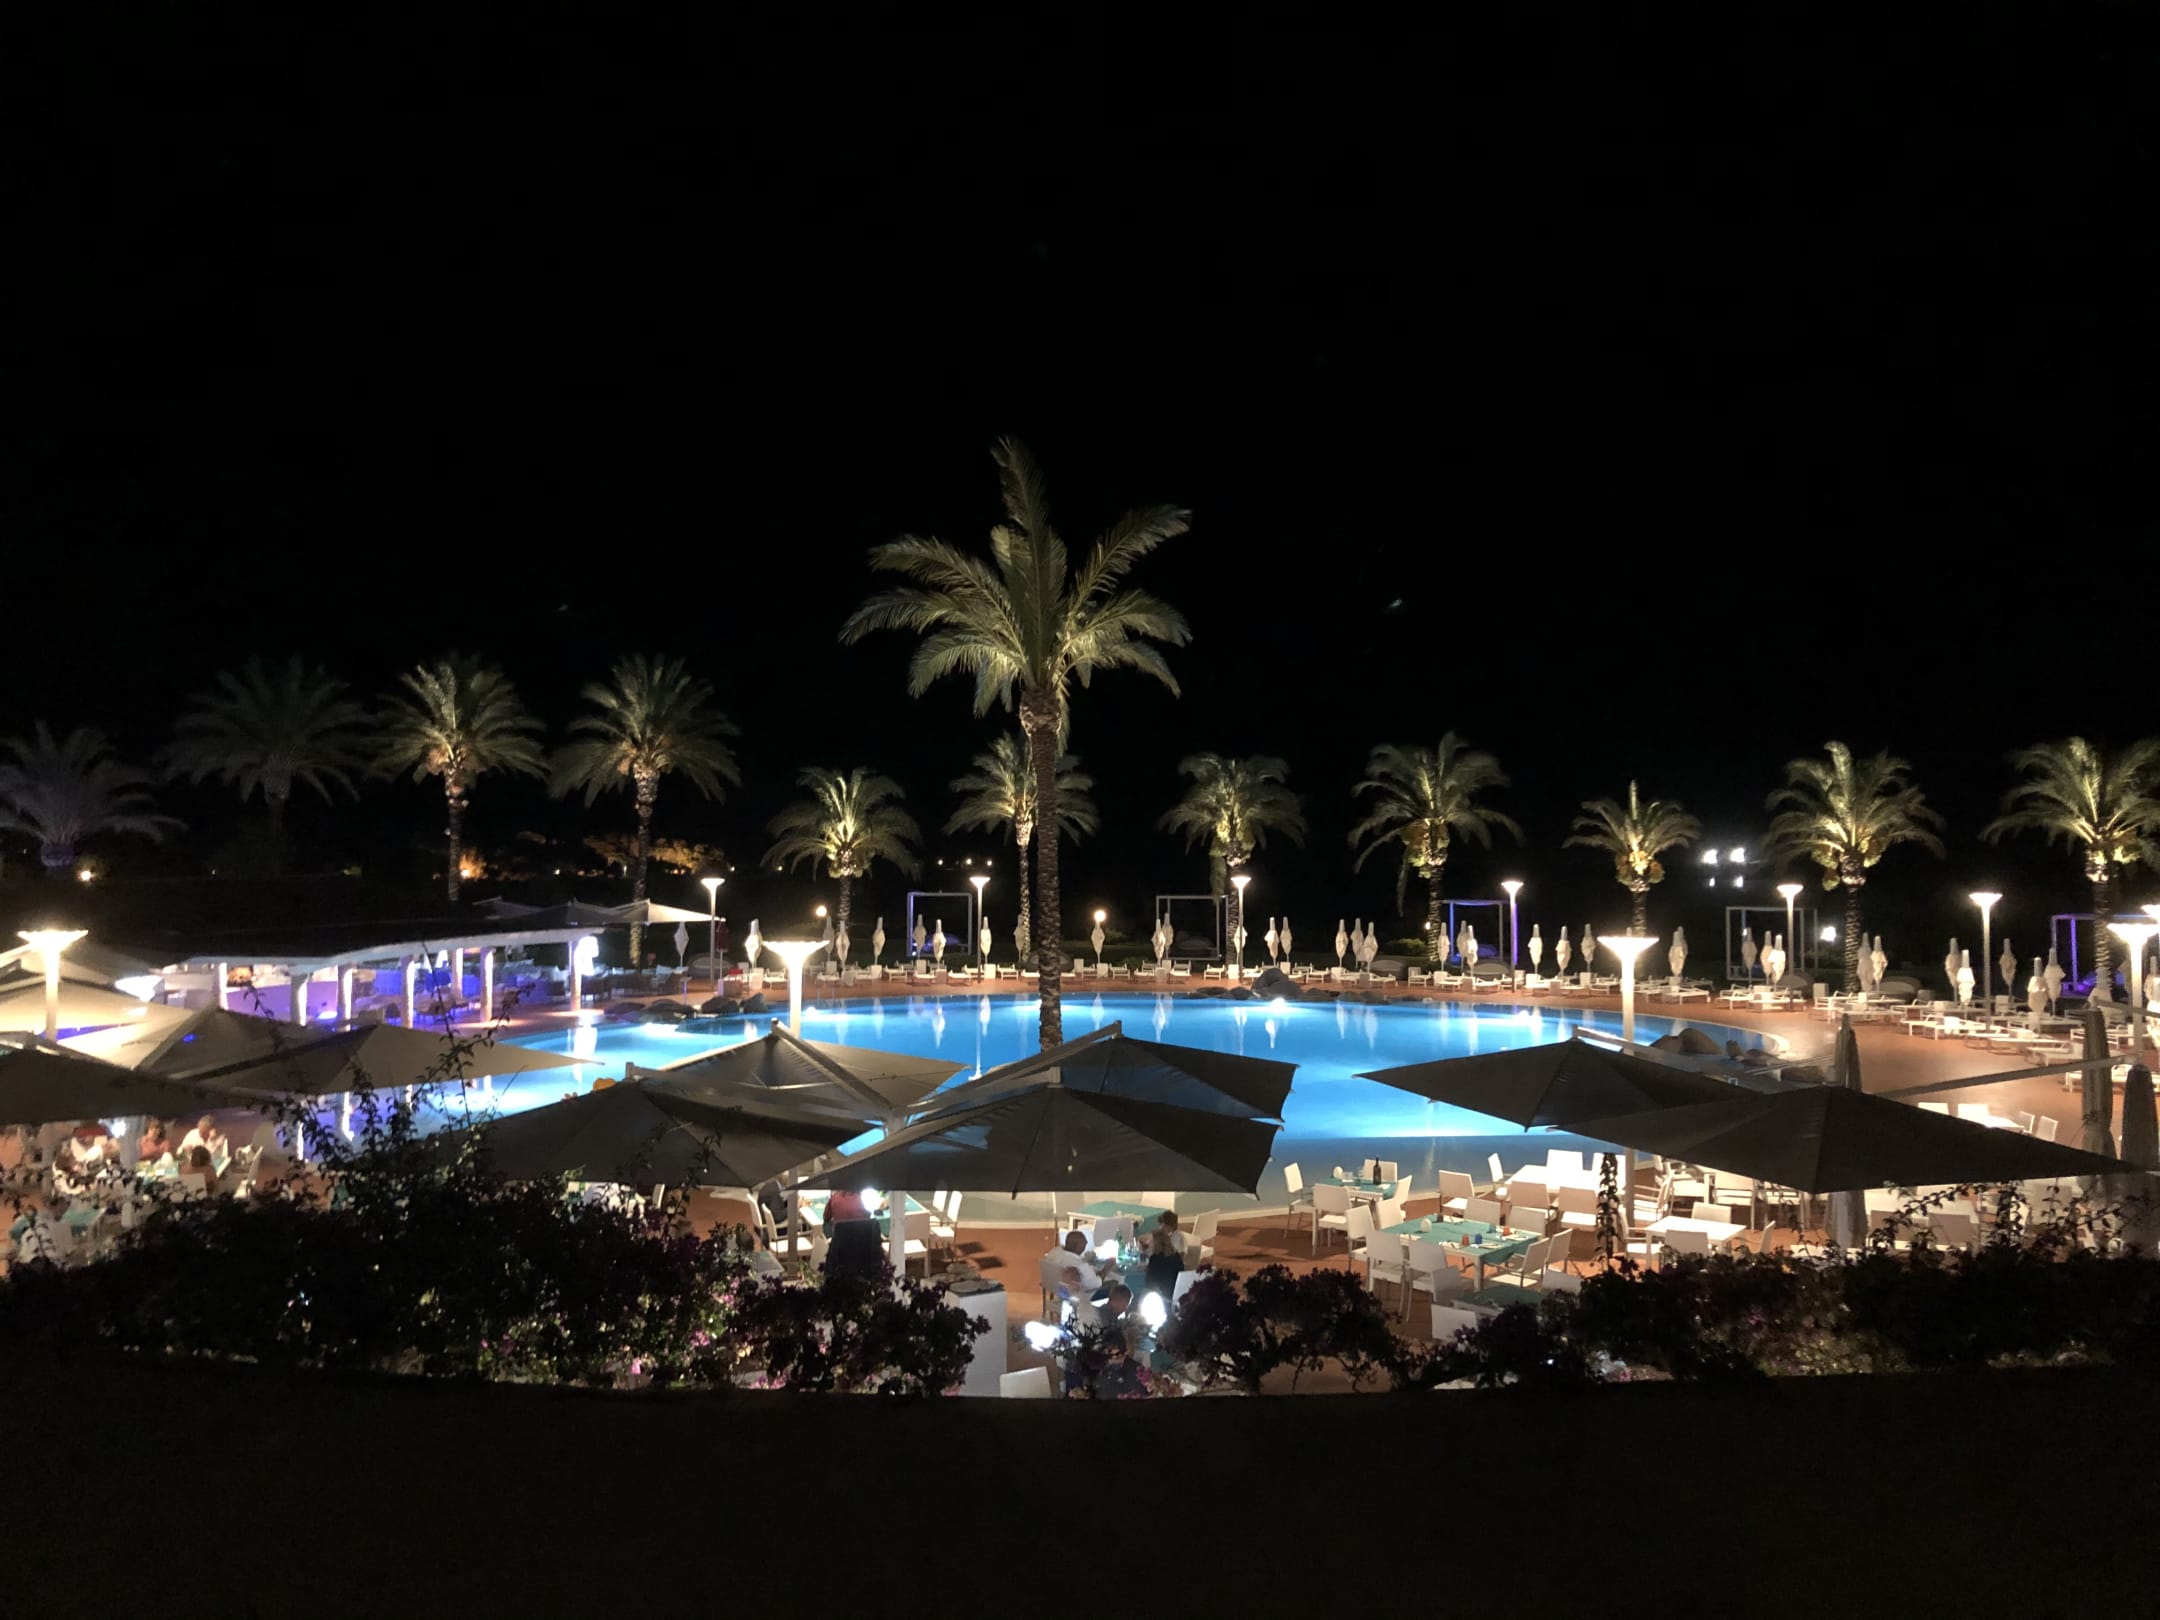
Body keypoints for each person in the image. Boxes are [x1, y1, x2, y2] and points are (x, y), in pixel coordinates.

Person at [822, 1185, 882, 1275]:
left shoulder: (834, 1198)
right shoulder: (864, 1199)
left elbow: (826, 1217)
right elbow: (868, 1217)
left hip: (840, 1251)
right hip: (864, 1252)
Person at [1045, 1228, 1100, 1294]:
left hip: (1055, 1287)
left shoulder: (1054, 1252)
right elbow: (1096, 1284)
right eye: (1084, 1242)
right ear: (1078, 1246)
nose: (1086, 1243)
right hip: (1081, 1295)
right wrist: (1106, 1269)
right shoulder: (1081, 1266)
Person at [1143, 1226, 1184, 1302]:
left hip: (1162, 1296)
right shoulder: (1176, 1256)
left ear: (1156, 1243)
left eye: (1150, 1241)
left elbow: (1149, 1283)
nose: (1148, 1243)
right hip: (1176, 1294)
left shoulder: (1155, 1258)